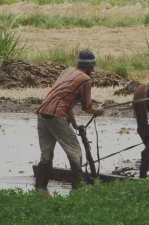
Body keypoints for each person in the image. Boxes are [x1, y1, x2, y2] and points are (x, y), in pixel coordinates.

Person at [35, 49, 104, 196]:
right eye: (93, 67)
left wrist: (73, 124)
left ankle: (41, 189)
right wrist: (98, 111)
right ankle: (76, 190)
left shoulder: (66, 71)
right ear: (90, 67)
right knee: (75, 152)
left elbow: (66, 101)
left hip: (42, 113)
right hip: (57, 116)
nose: (93, 70)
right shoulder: (86, 79)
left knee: (46, 154)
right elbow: (87, 107)